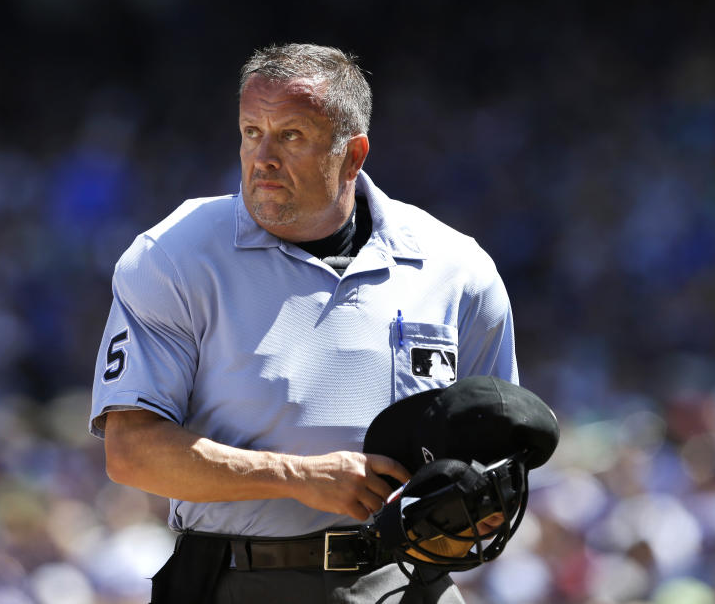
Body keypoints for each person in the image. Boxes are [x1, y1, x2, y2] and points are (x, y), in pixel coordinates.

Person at [89, 43, 519, 603]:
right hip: (241, 579)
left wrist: (482, 501)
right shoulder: (175, 254)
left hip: (407, 582)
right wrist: (298, 476)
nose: (262, 155)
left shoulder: (456, 268)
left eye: (290, 135)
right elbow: (131, 452)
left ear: (352, 154)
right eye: (250, 131)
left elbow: (496, 446)